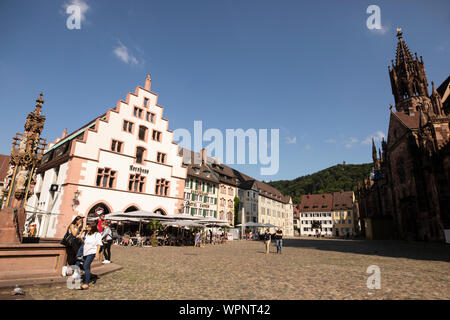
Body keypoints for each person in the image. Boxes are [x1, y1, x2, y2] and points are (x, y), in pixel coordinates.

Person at [76, 222, 103, 290]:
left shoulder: (97, 235)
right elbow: (84, 243)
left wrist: (97, 253)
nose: (87, 228)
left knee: (86, 266)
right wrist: (80, 239)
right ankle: (88, 276)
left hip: (92, 253)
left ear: (92, 228)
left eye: (89, 227)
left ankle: (86, 283)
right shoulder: (88, 234)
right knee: (85, 266)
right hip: (86, 252)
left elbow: (99, 244)